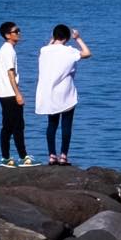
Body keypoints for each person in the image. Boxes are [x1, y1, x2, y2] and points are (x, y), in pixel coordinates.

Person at [34, 24, 92, 166]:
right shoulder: (70, 51)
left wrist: (52, 40)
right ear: (67, 38)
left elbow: (47, 48)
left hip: (49, 94)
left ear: (54, 37)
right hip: (66, 93)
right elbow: (87, 53)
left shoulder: (44, 50)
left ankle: (52, 155)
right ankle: (63, 156)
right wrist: (78, 38)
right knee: (66, 125)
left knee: (51, 125)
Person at [0, 21, 36, 167]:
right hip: (9, 93)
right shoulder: (8, 50)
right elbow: (10, 73)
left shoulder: (6, 49)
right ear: (7, 35)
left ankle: (6, 157)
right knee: (17, 125)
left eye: (18, 30)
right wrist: (18, 93)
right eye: (15, 31)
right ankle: (22, 157)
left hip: (4, 92)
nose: (19, 33)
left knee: (9, 125)